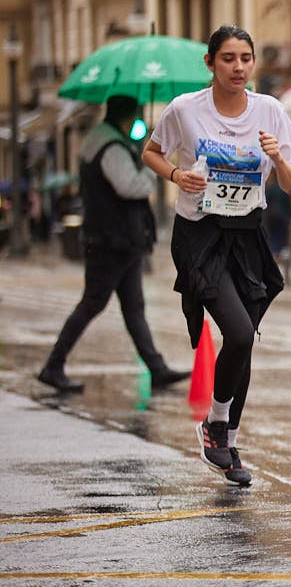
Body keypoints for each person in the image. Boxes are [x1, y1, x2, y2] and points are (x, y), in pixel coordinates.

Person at [142, 25, 291, 487]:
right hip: (200, 235)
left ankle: (226, 442)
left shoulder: (270, 111)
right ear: (210, 63)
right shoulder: (185, 110)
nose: (238, 67)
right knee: (239, 332)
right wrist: (177, 175)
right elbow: (150, 152)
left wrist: (279, 159)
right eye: (228, 58)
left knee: (243, 339)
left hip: (247, 236)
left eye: (245, 59)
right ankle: (215, 423)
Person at [36, 96, 191, 393]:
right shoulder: (112, 148)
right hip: (112, 240)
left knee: (133, 307)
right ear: (127, 117)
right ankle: (53, 365)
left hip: (119, 239)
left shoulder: (103, 141)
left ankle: (156, 368)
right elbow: (131, 186)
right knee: (93, 302)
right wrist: (151, 168)